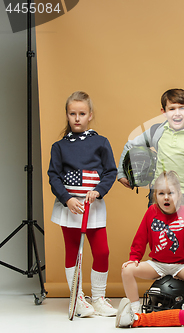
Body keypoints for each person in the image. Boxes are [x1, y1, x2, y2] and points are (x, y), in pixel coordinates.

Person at [116, 88, 184, 305]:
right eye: (172, 108)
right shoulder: (156, 132)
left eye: (182, 108)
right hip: (160, 196)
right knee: (157, 244)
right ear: (163, 111)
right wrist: (122, 173)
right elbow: (130, 146)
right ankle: (164, 293)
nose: (177, 113)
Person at [48, 91, 117, 317]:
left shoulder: (101, 142)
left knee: (102, 251)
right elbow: (54, 176)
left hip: (92, 207)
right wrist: (67, 199)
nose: (77, 118)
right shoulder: (59, 146)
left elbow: (110, 172)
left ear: (90, 115)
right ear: (67, 115)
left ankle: (97, 298)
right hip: (69, 208)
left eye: (82, 113)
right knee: (73, 253)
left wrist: (98, 191)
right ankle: (77, 300)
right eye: (72, 113)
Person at [121, 171, 184, 313]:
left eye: (171, 193)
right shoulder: (151, 211)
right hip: (157, 265)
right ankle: (135, 308)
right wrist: (134, 259)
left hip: (181, 266)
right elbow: (140, 238)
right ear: (155, 196)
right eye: (161, 193)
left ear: (179, 195)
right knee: (127, 270)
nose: (166, 197)